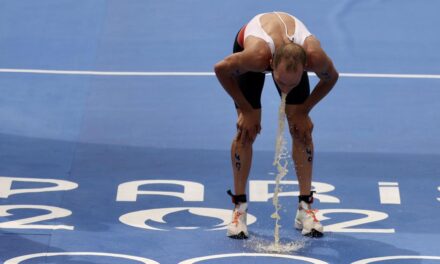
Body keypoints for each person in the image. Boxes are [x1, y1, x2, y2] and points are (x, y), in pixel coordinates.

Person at [214, 11, 338, 239]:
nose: (285, 89)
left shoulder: (314, 55)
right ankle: (238, 210)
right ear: (271, 66)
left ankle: (305, 208)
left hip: (289, 54)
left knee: (301, 129)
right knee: (247, 130)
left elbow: (332, 77)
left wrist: (304, 109)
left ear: (305, 67)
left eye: (294, 83)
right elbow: (221, 69)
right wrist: (246, 109)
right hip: (253, 47)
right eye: (280, 82)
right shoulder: (256, 56)